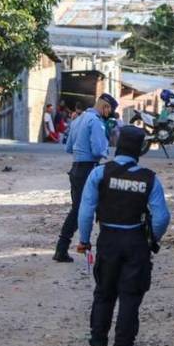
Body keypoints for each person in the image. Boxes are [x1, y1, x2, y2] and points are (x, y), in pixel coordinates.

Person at [77, 125, 171, 346]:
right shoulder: (149, 179)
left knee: (104, 296)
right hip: (135, 242)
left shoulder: (99, 174)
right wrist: (151, 241)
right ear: (140, 150)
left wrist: (84, 240)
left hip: (108, 240)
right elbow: (161, 218)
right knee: (130, 299)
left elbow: (86, 211)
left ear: (117, 145)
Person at [54, 94, 118, 262]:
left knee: (76, 210)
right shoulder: (96, 122)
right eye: (110, 110)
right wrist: (105, 149)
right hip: (89, 169)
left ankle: (61, 249)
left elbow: (68, 148)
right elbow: (98, 151)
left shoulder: (77, 120)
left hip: (75, 169)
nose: (109, 114)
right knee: (101, 208)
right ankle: (107, 250)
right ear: (105, 107)